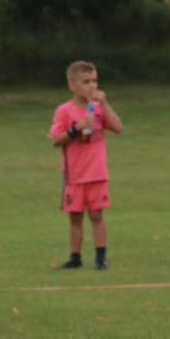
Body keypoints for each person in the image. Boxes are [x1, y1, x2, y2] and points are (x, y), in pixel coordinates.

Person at [48, 62, 125, 270]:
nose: (92, 86)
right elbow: (56, 140)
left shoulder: (99, 109)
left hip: (97, 173)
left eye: (94, 81)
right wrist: (76, 128)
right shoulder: (64, 111)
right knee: (75, 217)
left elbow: (118, 127)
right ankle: (75, 257)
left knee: (97, 215)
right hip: (75, 175)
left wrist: (105, 104)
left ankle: (101, 258)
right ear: (73, 86)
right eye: (86, 82)